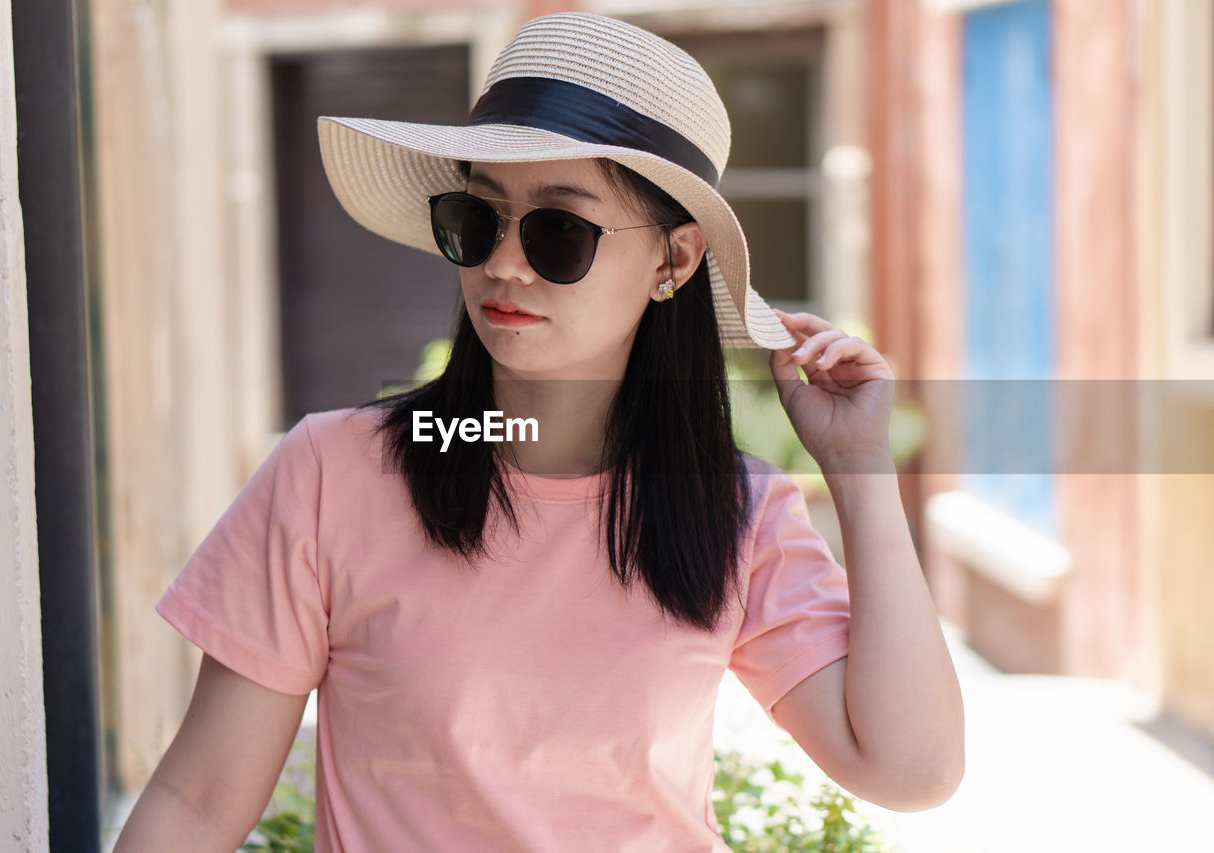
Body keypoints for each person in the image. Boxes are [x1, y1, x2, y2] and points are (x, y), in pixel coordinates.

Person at [113, 12, 963, 852]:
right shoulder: (331, 475)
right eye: (477, 219)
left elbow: (910, 768)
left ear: (673, 259)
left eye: (559, 228)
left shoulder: (734, 513)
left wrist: (858, 468)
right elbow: (196, 801)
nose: (504, 263)